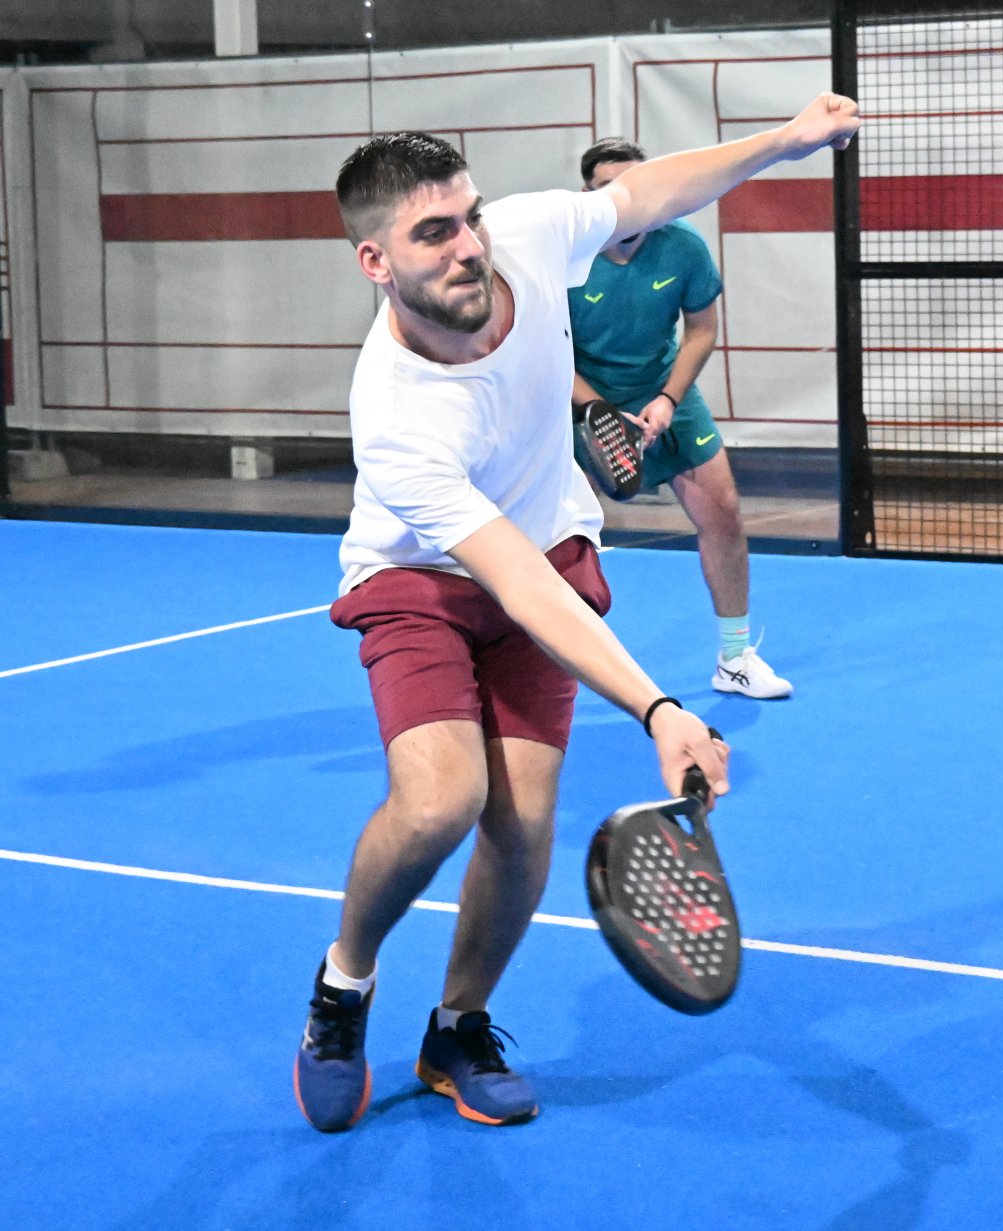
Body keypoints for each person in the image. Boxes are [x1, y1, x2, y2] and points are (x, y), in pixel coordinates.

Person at [294, 92, 863, 1134]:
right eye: (434, 232)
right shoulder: (397, 414)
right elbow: (511, 583)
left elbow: (655, 190)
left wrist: (783, 142)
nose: (469, 245)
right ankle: (345, 983)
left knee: (522, 823)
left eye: (469, 216)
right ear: (374, 261)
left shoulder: (529, 235)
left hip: (547, 544)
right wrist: (659, 709)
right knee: (440, 801)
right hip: (423, 581)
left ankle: (457, 1025)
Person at [570, 138, 792, 700]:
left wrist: (669, 398)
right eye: (607, 188)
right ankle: (550, 665)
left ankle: (735, 659)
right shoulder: (564, 257)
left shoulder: (684, 247)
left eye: (633, 184)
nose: (623, 197)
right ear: (588, 195)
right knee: (556, 534)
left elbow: (700, 330)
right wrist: (600, 413)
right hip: (577, 396)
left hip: (664, 388)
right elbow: (544, 351)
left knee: (723, 512)